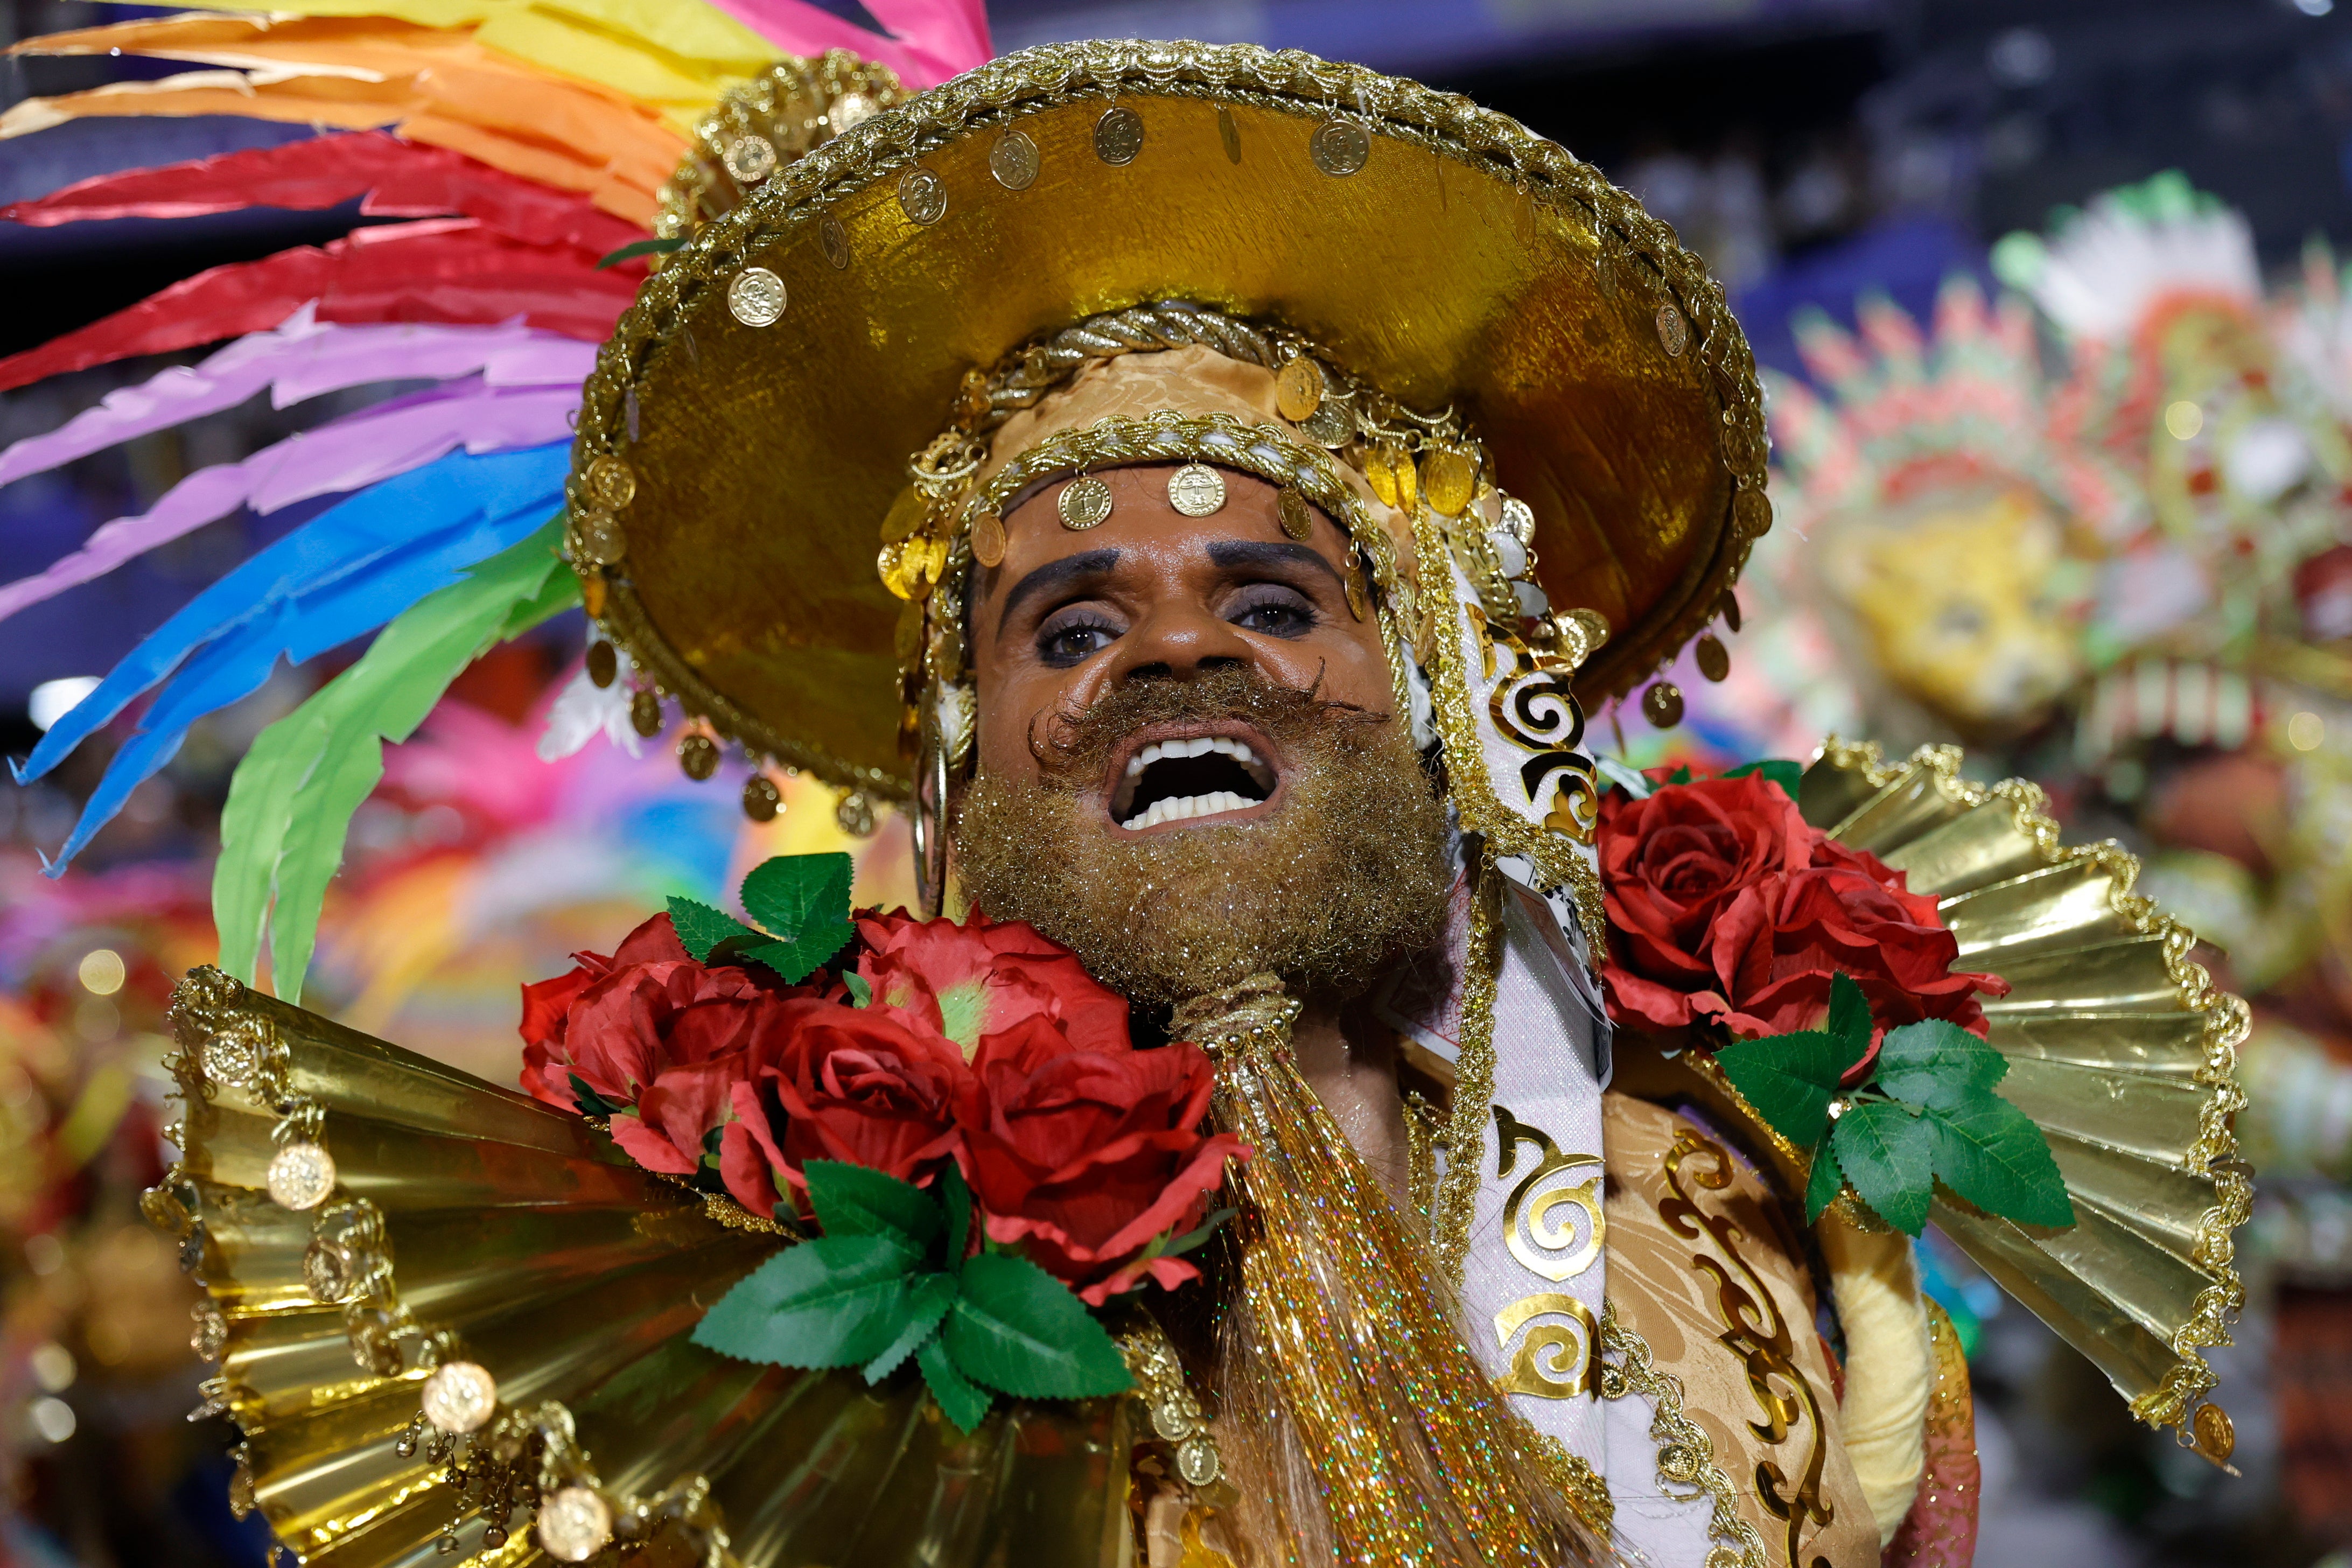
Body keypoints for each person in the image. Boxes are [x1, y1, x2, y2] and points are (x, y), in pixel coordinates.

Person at [4, 18, 2250, 1568]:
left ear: (1439, 685)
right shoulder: (771, 1320)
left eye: (1273, 594)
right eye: (1069, 625)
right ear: (953, 759)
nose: (1179, 651)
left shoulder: (1727, 1195)